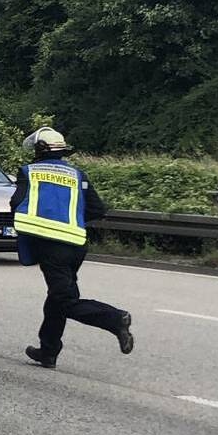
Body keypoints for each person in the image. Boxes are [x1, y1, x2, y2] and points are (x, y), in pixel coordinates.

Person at [10, 127, 133, 368]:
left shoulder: (29, 172)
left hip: (49, 245)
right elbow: (98, 209)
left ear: (39, 150)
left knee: (65, 300)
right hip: (76, 245)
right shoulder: (78, 175)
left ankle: (115, 319)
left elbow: (16, 202)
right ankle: (48, 351)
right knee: (57, 297)